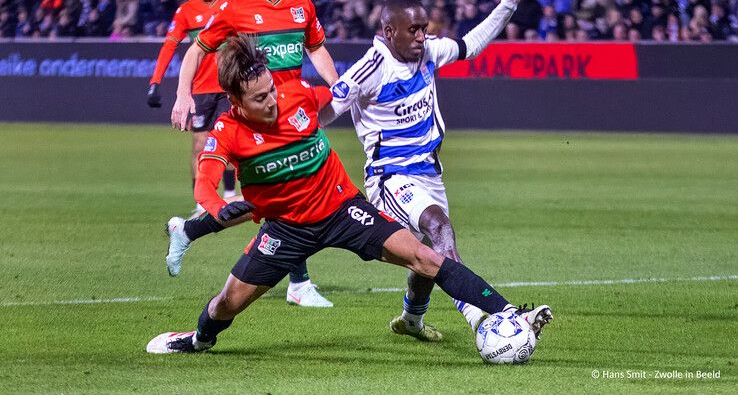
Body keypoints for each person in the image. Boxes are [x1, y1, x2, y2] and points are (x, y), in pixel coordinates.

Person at [146, 33, 553, 355]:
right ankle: (197, 340)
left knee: (426, 256)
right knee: (227, 304)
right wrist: (216, 208)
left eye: (271, 89)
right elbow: (206, 180)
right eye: (259, 98)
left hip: (344, 209)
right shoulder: (228, 133)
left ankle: (508, 313)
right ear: (235, 101)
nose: (272, 101)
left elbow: (349, 96)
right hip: (286, 229)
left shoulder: (299, 94)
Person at [319, 0, 539, 341]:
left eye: (424, 28)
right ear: (390, 32)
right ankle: (482, 319)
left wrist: (508, 3)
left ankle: (411, 320)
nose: (422, 37)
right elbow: (323, 113)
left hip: (429, 172)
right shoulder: (368, 70)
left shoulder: (429, 50)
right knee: (440, 228)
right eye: (414, 30)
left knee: (428, 255)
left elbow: (471, 46)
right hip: (390, 177)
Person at [167, 0, 338, 307]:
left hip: (294, 117)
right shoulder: (234, 9)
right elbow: (196, 51)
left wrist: (339, 88)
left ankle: (189, 231)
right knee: (287, 198)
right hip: (256, 120)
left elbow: (317, 48)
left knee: (280, 200)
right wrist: (183, 94)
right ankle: (298, 282)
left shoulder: (301, 4)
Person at [147, 0, 240, 215]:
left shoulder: (234, 3)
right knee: (200, 144)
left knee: (229, 141)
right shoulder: (186, 11)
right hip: (199, 90)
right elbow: (169, 46)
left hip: (229, 87)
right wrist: (155, 82)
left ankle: (230, 194)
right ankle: (200, 201)